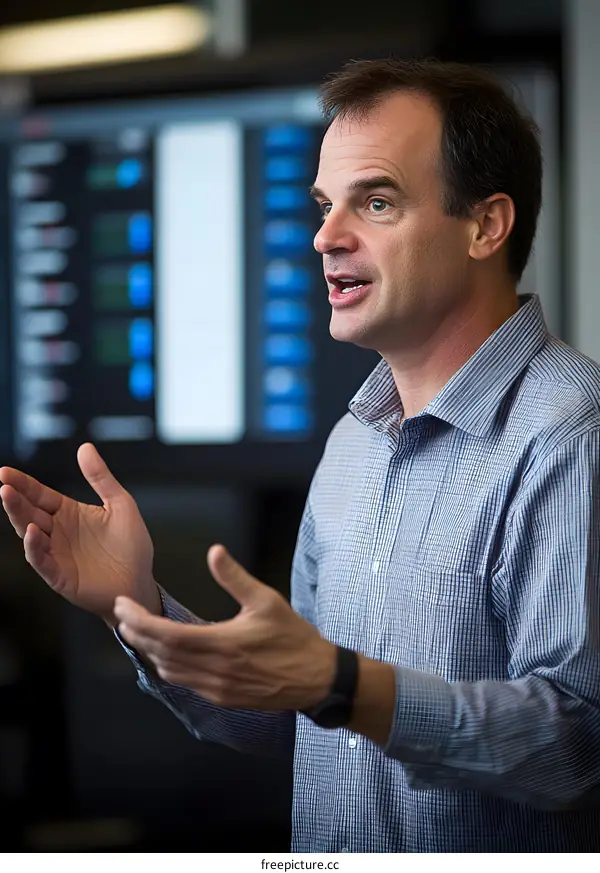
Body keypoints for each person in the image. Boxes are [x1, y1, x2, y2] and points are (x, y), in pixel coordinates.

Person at [2, 57, 600, 853]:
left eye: (376, 202)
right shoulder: (354, 442)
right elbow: (298, 716)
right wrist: (135, 605)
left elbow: (578, 746)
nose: (325, 237)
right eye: (324, 205)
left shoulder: (572, 434)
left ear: (485, 226)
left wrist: (343, 684)